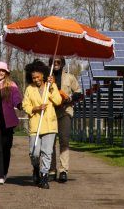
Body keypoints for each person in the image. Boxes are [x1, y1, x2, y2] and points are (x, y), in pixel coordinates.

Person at [21, 59, 62, 190]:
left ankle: (44, 177)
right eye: (33, 77)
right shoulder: (29, 89)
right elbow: (25, 105)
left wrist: (51, 88)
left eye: (38, 77)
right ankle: (36, 168)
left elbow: (58, 101)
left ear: (43, 75)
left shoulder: (51, 85)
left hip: (49, 125)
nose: (36, 79)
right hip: (35, 125)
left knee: (47, 152)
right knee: (34, 153)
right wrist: (36, 108)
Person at [48, 55, 82, 183]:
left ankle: (63, 170)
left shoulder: (70, 77)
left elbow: (79, 93)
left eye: (58, 62)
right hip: (50, 113)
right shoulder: (46, 78)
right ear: (50, 63)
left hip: (65, 112)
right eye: (53, 62)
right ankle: (51, 170)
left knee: (64, 140)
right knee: (50, 142)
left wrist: (71, 98)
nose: (56, 64)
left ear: (62, 63)